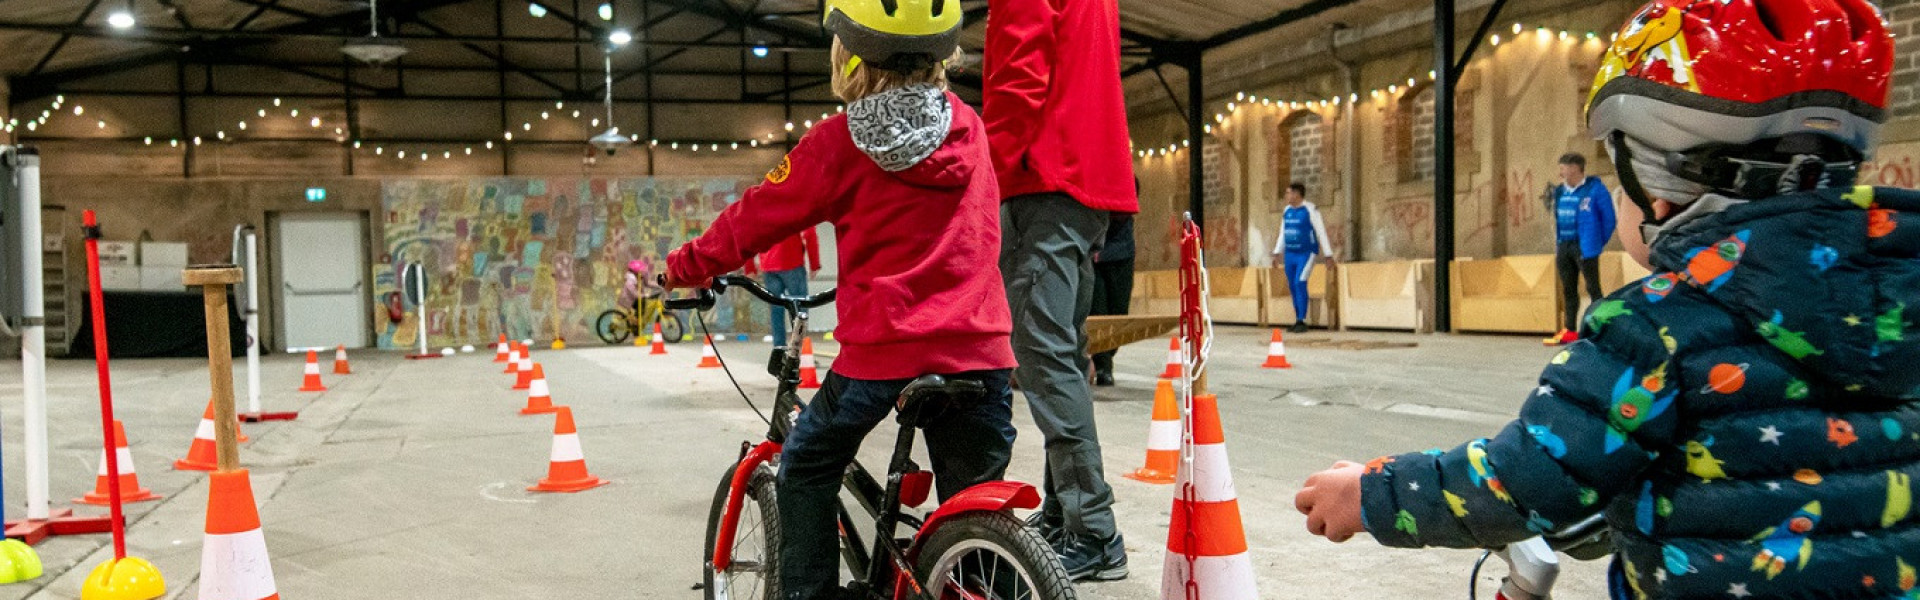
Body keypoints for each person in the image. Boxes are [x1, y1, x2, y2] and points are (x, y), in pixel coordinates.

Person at [1293, 1, 1918, 598]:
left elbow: (1528, 478)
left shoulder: (1653, 328)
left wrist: (1371, 493)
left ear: (1661, 196)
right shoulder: (1903, 304)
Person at [665, 2, 1017, 598]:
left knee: (805, 466)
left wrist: (685, 267)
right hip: (982, 350)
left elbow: (755, 217)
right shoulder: (970, 127)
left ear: (850, 57)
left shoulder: (837, 141)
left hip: (885, 353)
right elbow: (984, 232)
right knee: (973, 514)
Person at [985, 0, 1137, 580]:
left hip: (1043, 179)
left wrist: (985, 174)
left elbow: (1018, 78)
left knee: (1043, 359)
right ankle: (1063, 512)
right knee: (1063, 357)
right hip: (1086, 182)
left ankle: (1093, 531)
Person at [1543, 152, 1617, 346]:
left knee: (1593, 288)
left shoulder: (1596, 190)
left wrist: (1596, 242)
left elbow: (1609, 219)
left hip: (1585, 247)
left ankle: (1600, 329)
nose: (1560, 173)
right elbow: (1556, 216)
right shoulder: (1560, 191)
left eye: (1563, 168)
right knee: (1569, 289)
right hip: (1564, 245)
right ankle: (1570, 330)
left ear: (1575, 169)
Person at [1269, 183, 1335, 333]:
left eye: (1288, 193)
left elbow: (1321, 232)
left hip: (1306, 253)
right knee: (1292, 285)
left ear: (1297, 194)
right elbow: (1283, 233)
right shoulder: (1287, 211)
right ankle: (1297, 318)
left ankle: (1302, 319)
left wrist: (1328, 255)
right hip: (1290, 254)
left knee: (1300, 282)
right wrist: (1277, 253)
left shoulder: (1310, 210)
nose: (1286, 196)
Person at [758, 229, 821, 353]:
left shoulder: (763, 214)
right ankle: (798, 350)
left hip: (768, 265)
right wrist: (814, 263)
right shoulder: (797, 214)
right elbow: (809, 233)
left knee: (776, 309)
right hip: (792, 263)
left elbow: (752, 233)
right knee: (800, 309)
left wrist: (749, 267)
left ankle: (779, 350)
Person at [1089, 211, 1134, 387]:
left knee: (1119, 312)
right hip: (1093, 251)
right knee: (1098, 311)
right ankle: (1103, 365)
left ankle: (1107, 354)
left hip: (1121, 249)